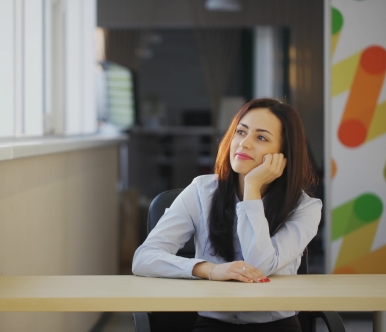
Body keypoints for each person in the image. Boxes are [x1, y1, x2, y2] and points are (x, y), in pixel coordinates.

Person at [132, 98, 321, 332]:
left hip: (276, 325)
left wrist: (251, 188)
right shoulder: (202, 192)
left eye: (261, 137)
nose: (244, 144)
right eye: (241, 132)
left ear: (283, 154)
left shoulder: (305, 207)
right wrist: (209, 269)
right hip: (213, 324)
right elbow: (144, 258)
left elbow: (258, 266)